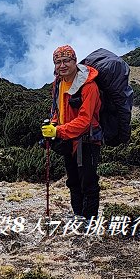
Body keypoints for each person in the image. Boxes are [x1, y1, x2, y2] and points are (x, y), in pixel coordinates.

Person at [41, 45, 102, 219]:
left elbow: (85, 121)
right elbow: (57, 110)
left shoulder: (89, 86)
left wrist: (57, 131)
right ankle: (78, 216)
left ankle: (90, 220)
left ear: (75, 61)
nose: (62, 65)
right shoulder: (58, 83)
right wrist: (52, 126)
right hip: (68, 140)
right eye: (58, 62)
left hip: (87, 141)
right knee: (73, 181)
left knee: (88, 183)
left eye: (67, 60)